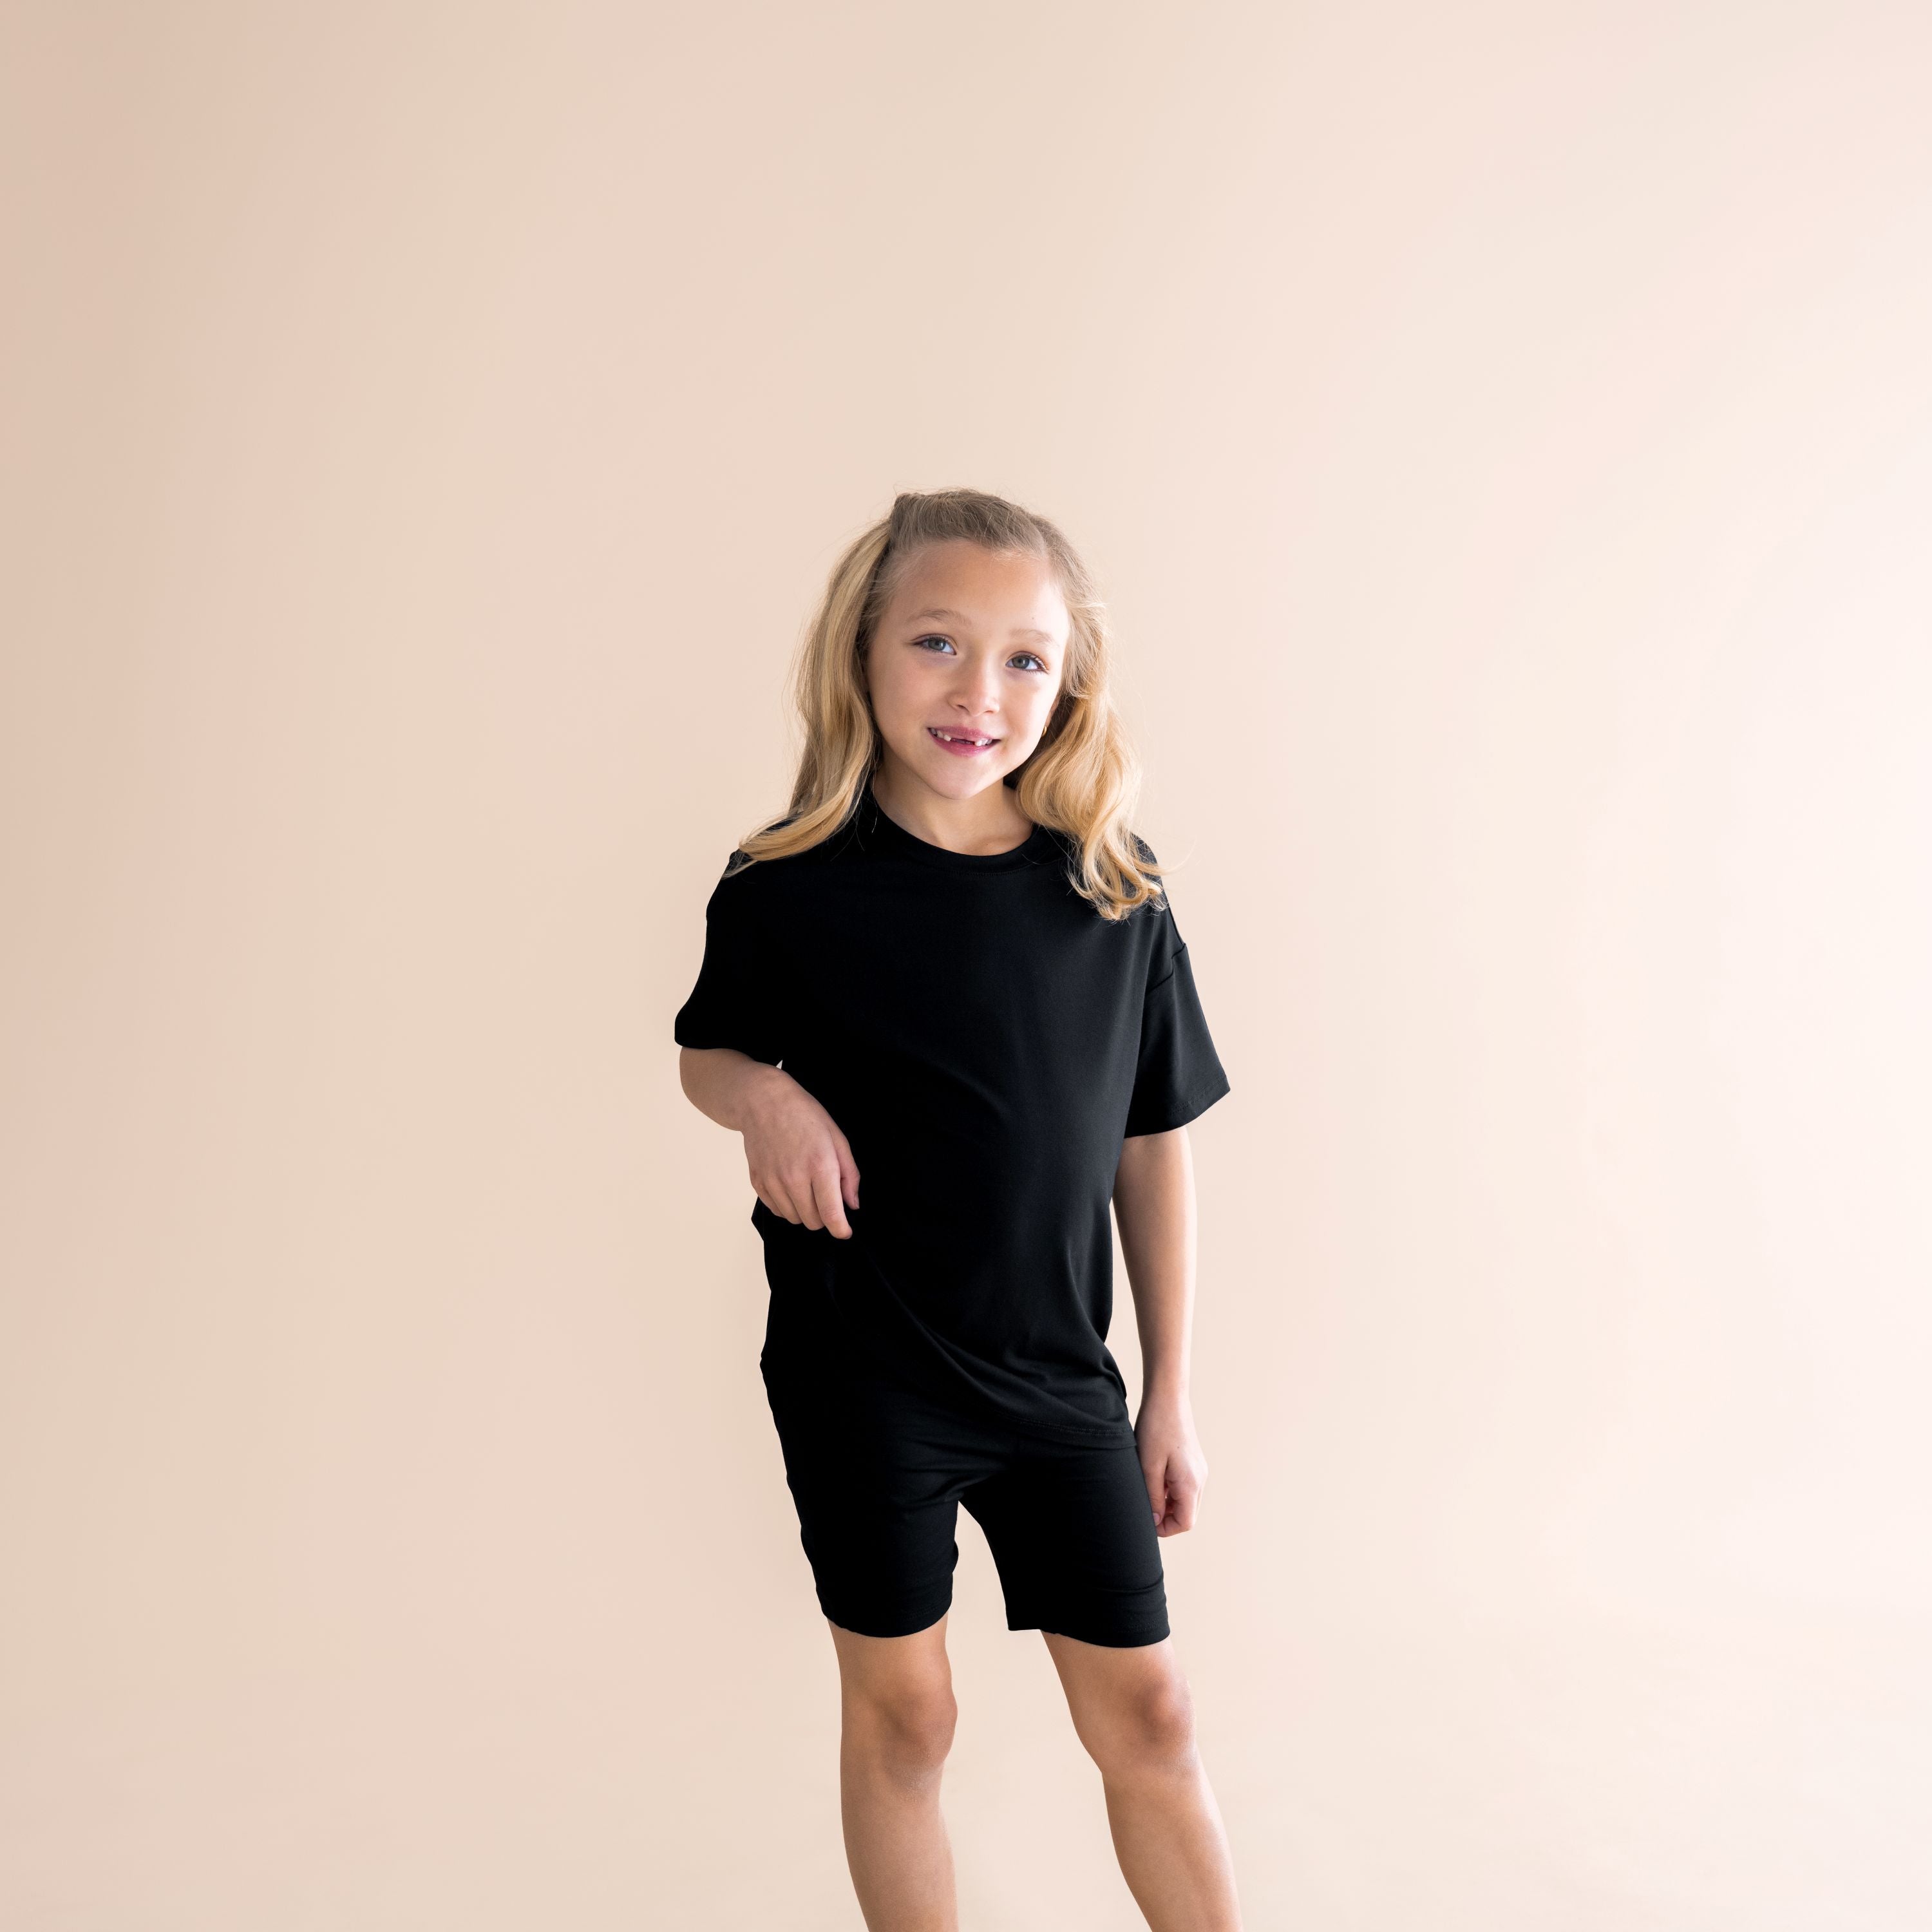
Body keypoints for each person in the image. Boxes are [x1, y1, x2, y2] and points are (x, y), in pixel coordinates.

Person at [674, 487, 1243, 1929]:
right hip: (867, 1376)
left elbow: (1151, 1141)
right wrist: (767, 1099)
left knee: (1155, 1719)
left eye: (1024, 660)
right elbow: (711, 1051)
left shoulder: (1114, 893)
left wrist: (1166, 1393)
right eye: (936, 642)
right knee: (910, 1719)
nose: (978, 692)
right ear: (863, 651)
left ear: (1068, 682)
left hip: (1059, 1381)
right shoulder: (787, 886)